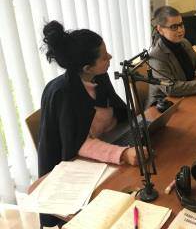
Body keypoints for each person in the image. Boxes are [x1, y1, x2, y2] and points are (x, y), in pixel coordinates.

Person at [39, 21, 140, 227]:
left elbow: (112, 115)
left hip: (102, 151)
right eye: (104, 57)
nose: (110, 57)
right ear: (86, 67)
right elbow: (80, 143)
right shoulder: (64, 94)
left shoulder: (97, 77)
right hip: (74, 168)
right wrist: (123, 153)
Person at [147, 6, 196, 106]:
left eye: (181, 25)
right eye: (174, 27)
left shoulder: (184, 43)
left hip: (186, 95)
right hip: (164, 105)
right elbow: (170, 88)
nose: (180, 30)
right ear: (160, 30)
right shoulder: (156, 56)